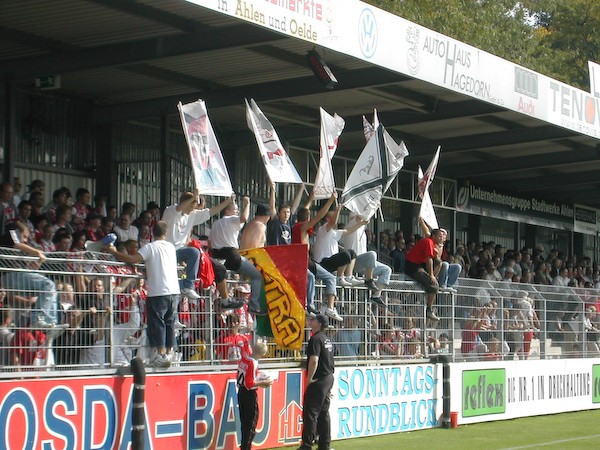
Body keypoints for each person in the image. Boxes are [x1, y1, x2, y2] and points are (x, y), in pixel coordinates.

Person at [106, 221, 179, 368]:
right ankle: (169, 354)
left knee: (158, 323)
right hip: (174, 291)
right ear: (166, 233)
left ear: (152, 232)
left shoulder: (150, 247)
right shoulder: (171, 247)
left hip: (158, 291)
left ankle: (161, 355)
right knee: (170, 322)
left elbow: (133, 259)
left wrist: (114, 252)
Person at [162, 188, 233, 301]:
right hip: (166, 251)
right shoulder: (171, 211)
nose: (192, 209)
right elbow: (179, 208)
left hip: (179, 251)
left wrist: (228, 201)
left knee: (194, 252)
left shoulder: (192, 215)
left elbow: (211, 212)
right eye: (191, 206)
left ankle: (188, 286)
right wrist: (193, 196)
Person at [210, 196, 266, 316]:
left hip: (217, 256)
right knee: (257, 276)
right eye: (235, 210)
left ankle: (225, 298)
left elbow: (210, 243)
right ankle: (254, 305)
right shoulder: (231, 220)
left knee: (230, 276)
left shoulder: (215, 223)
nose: (237, 212)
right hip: (232, 256)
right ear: (227, 211)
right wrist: (247, 204)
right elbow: (244, 218)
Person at [297, 314, 334, 450]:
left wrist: (309, 378)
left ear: (319, 324)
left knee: (311, 413)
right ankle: (325, 444)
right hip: (328, 376)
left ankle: (307, 445)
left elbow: (314, 360)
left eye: (313, 320)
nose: (310, 321)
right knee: (324, 413)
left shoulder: (315, 339)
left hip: (319, 379)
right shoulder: (326, 339)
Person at [342, 212, 393, 305]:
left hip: (364, 262)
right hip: (353, 261)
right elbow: (360, 217)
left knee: (386, 270)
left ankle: (376, 295)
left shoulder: (361, 227)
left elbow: (365, 217)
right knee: (372, 254)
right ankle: (369, 280)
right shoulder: (351, 225)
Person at [237, 341, 273, 450]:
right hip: (249, 394)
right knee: (251, 424)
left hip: (241, 392)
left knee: (245, 423)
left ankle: (244, 446)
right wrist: (263, 382)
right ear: (261, 354)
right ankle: (246, 447)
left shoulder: (244, 359)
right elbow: (249, 384)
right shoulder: (253, 363)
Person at [404, 229, 444, 321]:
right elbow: (429, 259)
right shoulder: (428, 241)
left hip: (420, 265)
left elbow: (437, 261)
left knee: (439, 262)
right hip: (413, 267)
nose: (441, 239)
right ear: (434, 236)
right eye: (439, 236)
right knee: (434, 286)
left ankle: (430, 287)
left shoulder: (433, 244)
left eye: (442, 237)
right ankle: (429, 310)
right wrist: (431, 275)